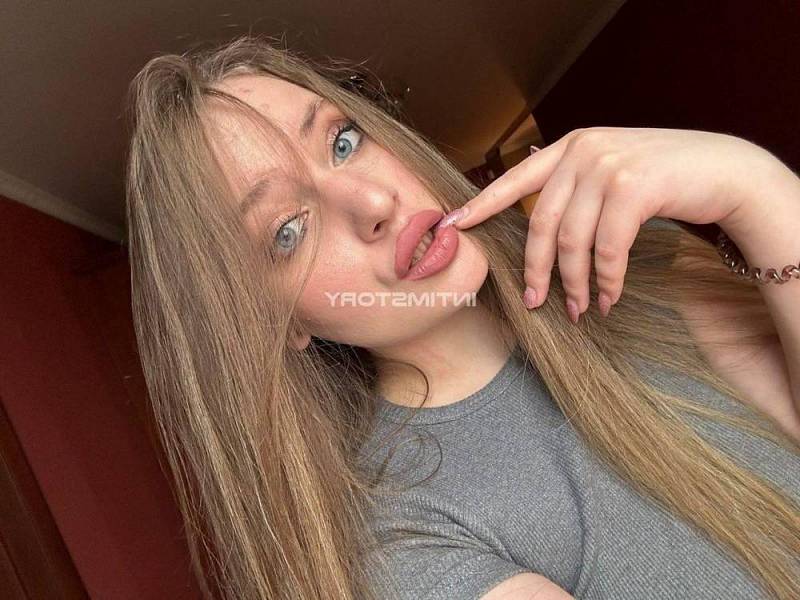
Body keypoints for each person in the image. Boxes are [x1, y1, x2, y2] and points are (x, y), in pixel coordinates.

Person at [123, 34, 800, 600]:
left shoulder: (635, 262)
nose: (373, 203)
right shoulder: (405, 543)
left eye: (343, 141)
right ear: (280, 324)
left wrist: (759, 190)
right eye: (288, 230)